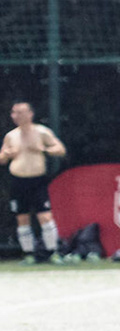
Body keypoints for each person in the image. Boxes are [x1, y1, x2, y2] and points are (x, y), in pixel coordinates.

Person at [5, 101, 67, 263]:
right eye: (14, 112)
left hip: (37, 180)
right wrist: (7, 154)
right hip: (18, 181)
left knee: (45, 216)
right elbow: (2, 158)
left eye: (20, 112)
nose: (16, 116)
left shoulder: (42, 132)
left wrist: (44, 149)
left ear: (30, 114)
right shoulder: (11, 136)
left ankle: (53, 252)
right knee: (22, 218)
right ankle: (29, 254)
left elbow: (60, 150)